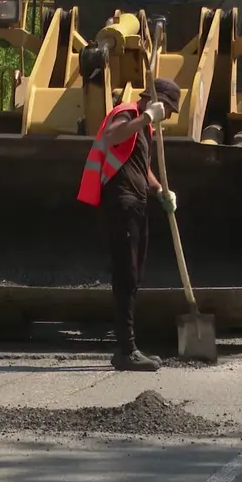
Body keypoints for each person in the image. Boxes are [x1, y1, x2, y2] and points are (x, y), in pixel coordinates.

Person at [76, 79, 180, 371]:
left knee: (134, 275)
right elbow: (111, 137)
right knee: (126, 275)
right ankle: (126, 350)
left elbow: (142, 169)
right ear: (155, 100)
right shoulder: (127, 113)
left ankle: (129, 346)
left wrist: (161, 191)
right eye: (169, 108)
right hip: (120, 202)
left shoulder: (143, 128)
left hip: (137, 203)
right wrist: (146, 116)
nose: (169, 116)